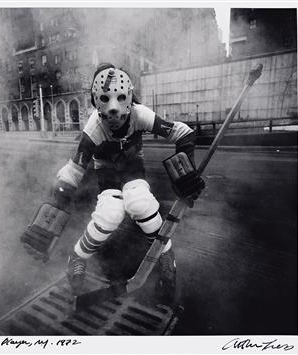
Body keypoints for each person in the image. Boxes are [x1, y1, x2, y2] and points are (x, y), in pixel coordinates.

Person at [53, 63, 204, 299]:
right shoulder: (93, 127)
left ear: (129, 99)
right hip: (108, 174)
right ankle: (78, 256)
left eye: (120, 100)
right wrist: (60, 195)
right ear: (96, 102)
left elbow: (182, 133)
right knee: (109, 214)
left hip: (133, 168)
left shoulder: (140, 114)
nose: (114, 116)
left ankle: (165, 255)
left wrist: (187, 169)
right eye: (105, 101)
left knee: (140, 203)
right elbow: (75, 166)